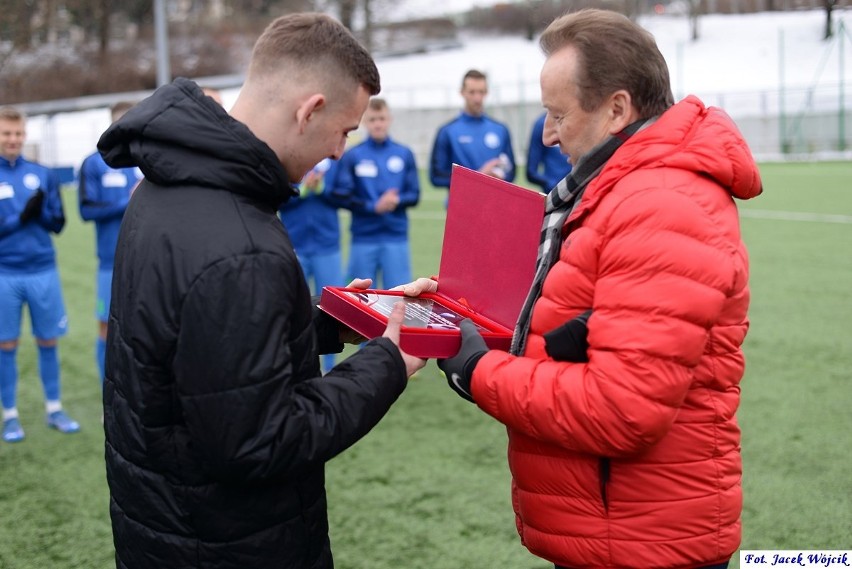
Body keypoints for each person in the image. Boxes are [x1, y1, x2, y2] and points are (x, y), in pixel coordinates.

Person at [431, 9, 763, 569]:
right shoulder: (621, 191)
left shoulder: (661, 205)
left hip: (645, 541)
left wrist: (475, 369)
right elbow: (578, 332)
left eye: (557, 114)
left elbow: (623, 409)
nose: (547, 133)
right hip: (618, 529)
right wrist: (479, 320)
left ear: (617, 109)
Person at [96, 13, 426, 569]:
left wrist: (329, 322)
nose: (341, 152)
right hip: (228, 543)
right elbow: (260, 441)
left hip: (168, 523)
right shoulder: (240, 244)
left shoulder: (166, 184)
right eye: (344, 130)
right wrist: (389, 362)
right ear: (309, 110)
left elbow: (202, 345)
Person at [0, 106, 80, 443]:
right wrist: (22, 217)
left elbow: (58, 223)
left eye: (18, 134)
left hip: (43, 270)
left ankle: (54, 409)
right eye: (6, 133)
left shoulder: (42, 174)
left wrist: (42, 213)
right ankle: (10, 416)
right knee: (7, 344)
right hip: (5, 273)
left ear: (25, 135)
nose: (13, 139)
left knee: (48, 340)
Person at [77, 101, 142, 388]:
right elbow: (87, 211)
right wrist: (127, 201)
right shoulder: (94, 162)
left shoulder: (149, 158)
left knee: (148, 327)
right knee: (107, 327)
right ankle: (110, 392)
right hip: (110, 262)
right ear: (113, 124)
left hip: (148, 260)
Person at [333, 97, 420, 289]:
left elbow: (414, 195)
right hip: (363, 238)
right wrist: (374, 206)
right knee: (359, 299)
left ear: (389, 119)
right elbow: (341, 196)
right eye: (372, 120)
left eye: (381, 119)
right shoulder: (353, 155)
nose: (378, 124)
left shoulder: (404, 153)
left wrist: (396, 200)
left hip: (395, 237)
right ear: (364, 122)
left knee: (399, 298)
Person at [279, 157, 344, 373]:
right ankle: (291, 360)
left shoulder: (334, 161)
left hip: (327, 245)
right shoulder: (288, 157)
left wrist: (322, 188)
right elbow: (276, 198)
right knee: (291, 305)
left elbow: (346, 196)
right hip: (293, 243)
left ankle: (330, 365)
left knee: (332, 307)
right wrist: (303, 190)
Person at [429, 69, 515, 201]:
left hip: (494, 204)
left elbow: (511, 172)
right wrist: (478, 176)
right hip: (461, 206)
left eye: (481, 92)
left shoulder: (500, 129)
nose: (477, 98)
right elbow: (436, 176)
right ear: (462, 92)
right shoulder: (447, 131)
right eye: (472, 92)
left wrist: (499, 174)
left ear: (487, 92)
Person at [525, 111, 572, 193]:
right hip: (555, 194)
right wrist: (552, 184)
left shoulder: (580, 119)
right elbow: (531, 172)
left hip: (582, 190)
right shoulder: (541, 124)